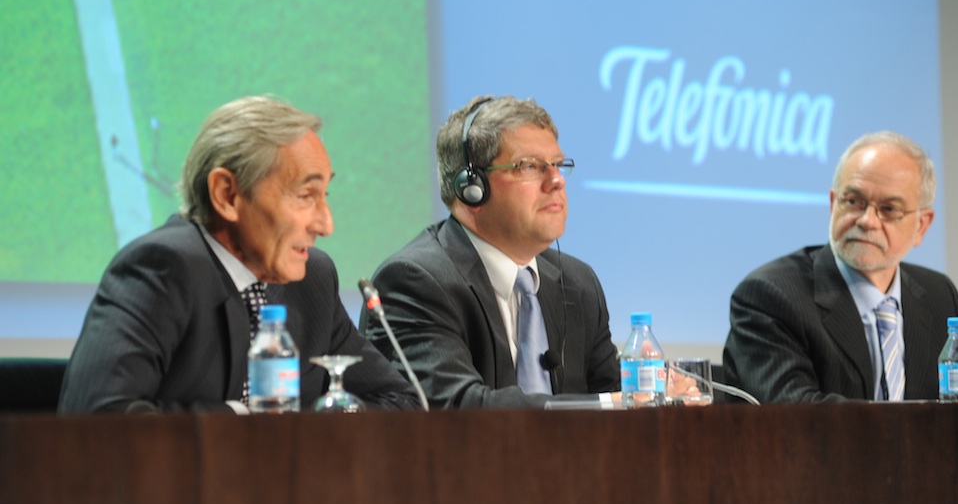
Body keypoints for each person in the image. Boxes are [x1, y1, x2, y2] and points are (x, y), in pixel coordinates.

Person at [59, 96, 420, 413]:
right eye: (305, 196)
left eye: (325, 195)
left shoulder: (313, 279)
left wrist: (308, 435)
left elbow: (400, 402)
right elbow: (96, 417)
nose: (326, 225)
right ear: (227, 195)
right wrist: (245, 423)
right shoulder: (162, 268)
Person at [360, 95, 620, 408]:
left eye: (558, 165)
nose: (556, 181)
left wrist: (654, 392)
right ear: (472, 188)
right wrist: (607, 404)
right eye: (530, 166)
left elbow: (619, 396)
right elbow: (460, 408)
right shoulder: (415, 281)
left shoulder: (578, 282)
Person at [723, 131, 958, 403]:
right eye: (853, 202)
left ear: (921, 225)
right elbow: (793, 412)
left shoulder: (938, 295)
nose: (867, 221)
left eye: (889, 209)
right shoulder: (771, 295)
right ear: (833, 204)